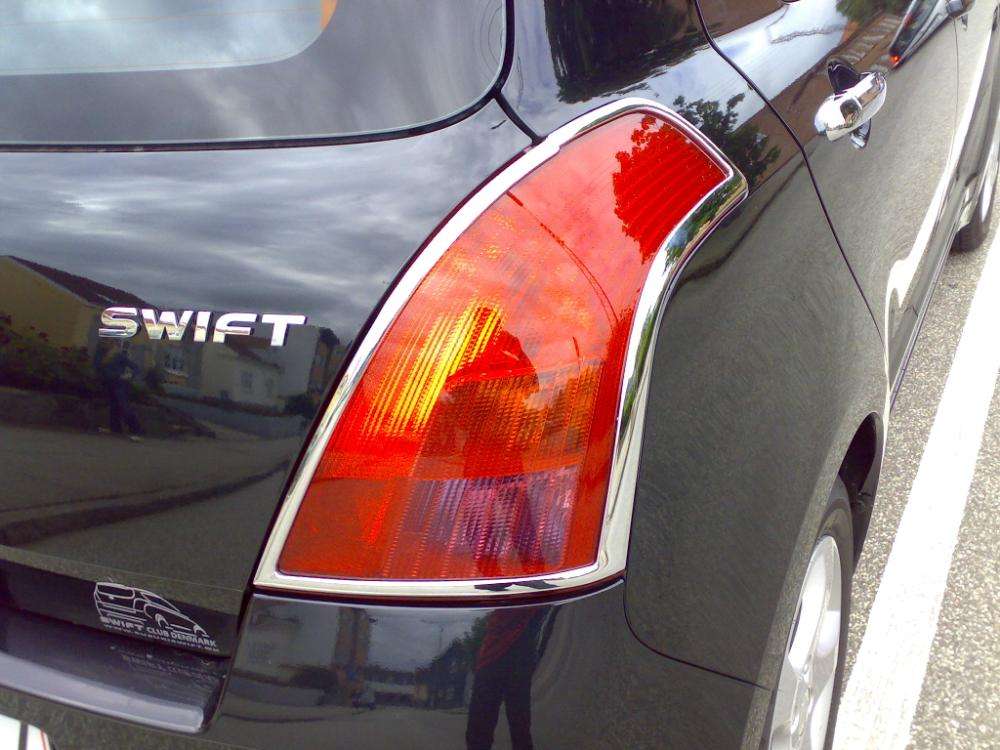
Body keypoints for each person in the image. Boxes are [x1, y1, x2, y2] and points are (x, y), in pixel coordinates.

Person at [94, 340, 143, 439]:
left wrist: (129, 375)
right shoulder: (101, 355)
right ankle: (115, 428)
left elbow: (136, 368)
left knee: (123, 406)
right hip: (108, 383)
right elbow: (98, 367)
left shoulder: (119, 356)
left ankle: (136, 430)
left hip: (119, 384)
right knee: (113, 406)